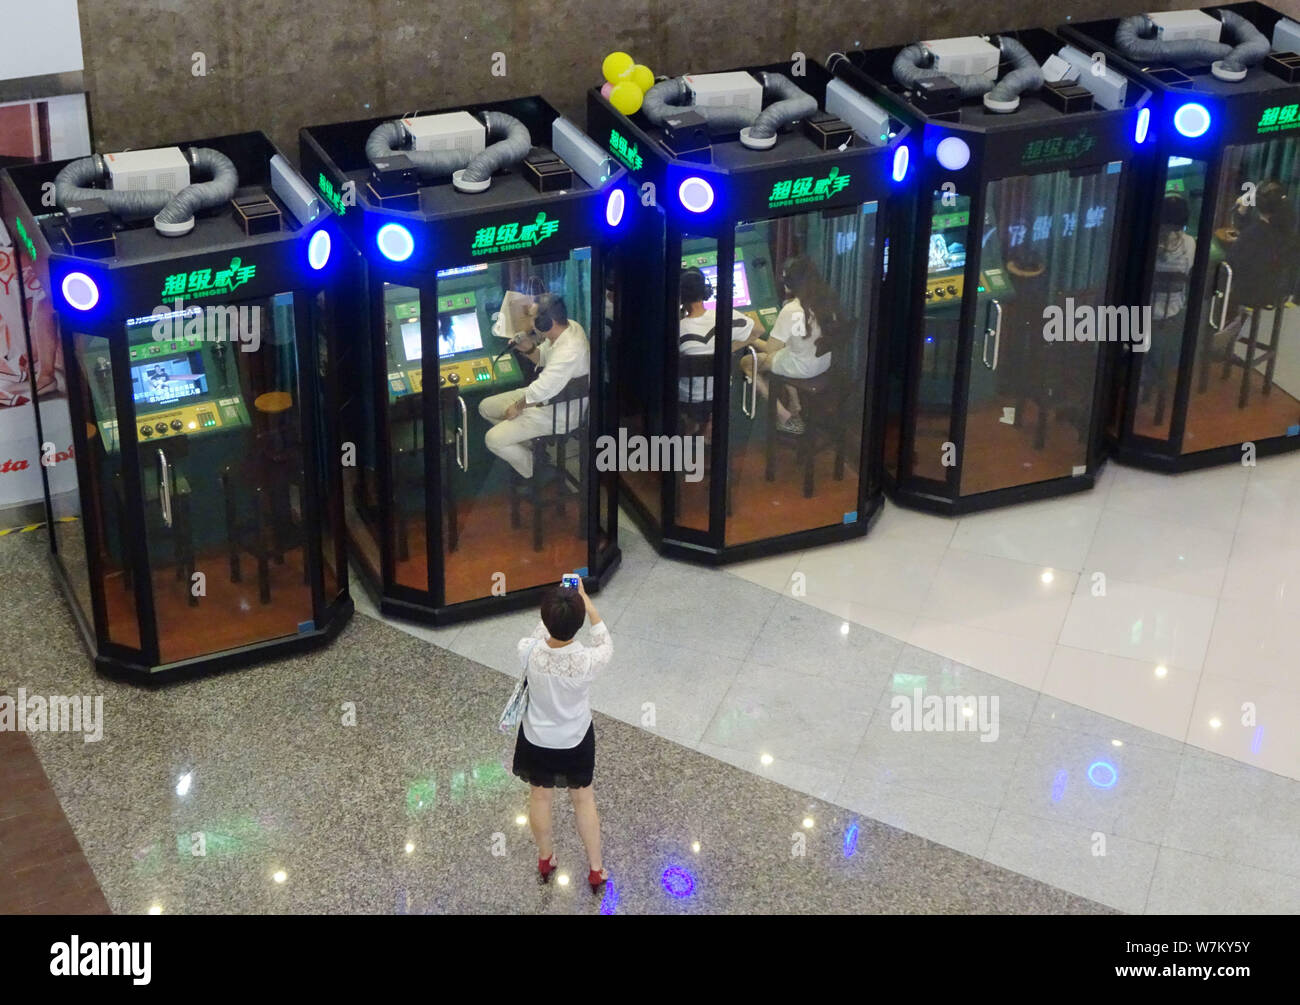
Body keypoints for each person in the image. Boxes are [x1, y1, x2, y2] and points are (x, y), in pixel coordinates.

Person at [512, 577, 612, 892]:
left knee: (540, 796)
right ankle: (595, 869)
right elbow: (604, 638)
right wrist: (585, 601)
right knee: (583, 800)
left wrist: (556, 609)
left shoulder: (527, 651)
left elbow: (540, 633)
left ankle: (546, 858)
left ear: (545, 617)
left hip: (536, 738)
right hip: (575, 739)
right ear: (578, 622)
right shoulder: (587, 661)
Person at [479, 292, 589, 478]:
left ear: (547, 322)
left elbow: (542, 390)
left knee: (493, 440)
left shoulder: (570, 349)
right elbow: (543, 358)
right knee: (486, 407)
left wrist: (517, 407)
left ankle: (532, 469)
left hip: (559, 412)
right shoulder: (568, 329)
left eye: (534, 319)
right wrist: (529, 348)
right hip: (545, 399)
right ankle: (531, 448)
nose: (531, 324)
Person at [741, 255, 840, 434]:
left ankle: (784, 416)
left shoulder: (791, 309)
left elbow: (771, 349)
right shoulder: (826, 299)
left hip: (803, 366)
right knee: (786, 352)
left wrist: (750, 337)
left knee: (748, 363)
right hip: (823, 362)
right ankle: (795, 403)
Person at [677, 267, 755, 439]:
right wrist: (728, 348)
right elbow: (758, 329)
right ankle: (706, 426)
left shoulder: (677, 327)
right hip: (719, 394)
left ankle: (691, 426)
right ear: (706, 292)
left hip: (686, 398)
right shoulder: (725, 316)